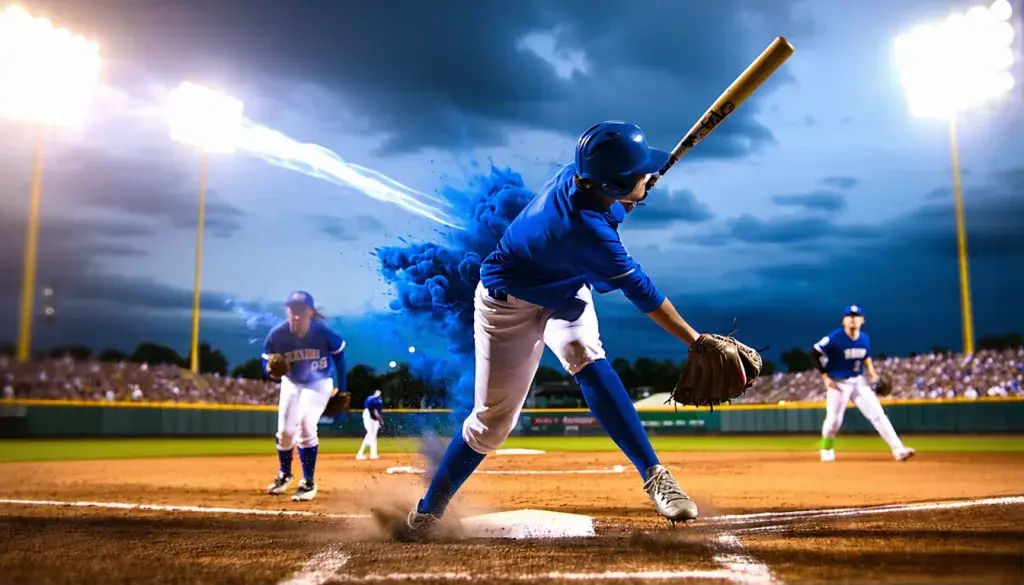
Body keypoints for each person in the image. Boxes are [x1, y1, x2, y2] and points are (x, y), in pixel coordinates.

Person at [390, 121, 707, 539]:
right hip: (507, 306)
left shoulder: (579, 177)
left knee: (584, 353)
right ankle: (428, 512)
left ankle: (655, 475)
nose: (648, 175)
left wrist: (630, 192)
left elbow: (605, 207)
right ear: (610, 183)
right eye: (640, 173)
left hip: (564, 289)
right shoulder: (586, 232)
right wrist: (696, 341)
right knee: (490, 425)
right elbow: (642, 292)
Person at [263, 290, 348, 501]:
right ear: (287, 310)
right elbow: (265, 362)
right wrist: (269, 369)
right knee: (284, 432)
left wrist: (343, 388)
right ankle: (285, 474)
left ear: (310, 311)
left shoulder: (322, 333)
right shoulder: (277, 334)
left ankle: (308, 482)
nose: (296, 314)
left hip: (319, 382)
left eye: (301, 309)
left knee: (305, 425)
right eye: (292, 309)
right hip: (291, 383)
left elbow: (340, 359)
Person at [812, 305, 915, 462]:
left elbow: (866, 357)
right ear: (844, 321)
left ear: (862, 320)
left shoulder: (864, 338)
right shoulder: (835, 337)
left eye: (856, 316)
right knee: (834, 419)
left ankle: (898, 449)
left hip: (858, 382)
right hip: (838, 383)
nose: (853, 318)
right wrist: (825, 377)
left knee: (879, 415)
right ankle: (826, 448)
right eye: (849, 316)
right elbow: (814, 352)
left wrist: (872, 374)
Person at [356, 389, 384, 460]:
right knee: (371, 435)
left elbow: (375, 412)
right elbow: (375, 411)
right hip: (368, 416)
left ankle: (369, 454)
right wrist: (380, 420)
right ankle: (367, 454)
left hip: (371, 417)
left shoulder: (371, 399)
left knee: (371, 435)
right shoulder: (375, 400)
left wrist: (379, 420)